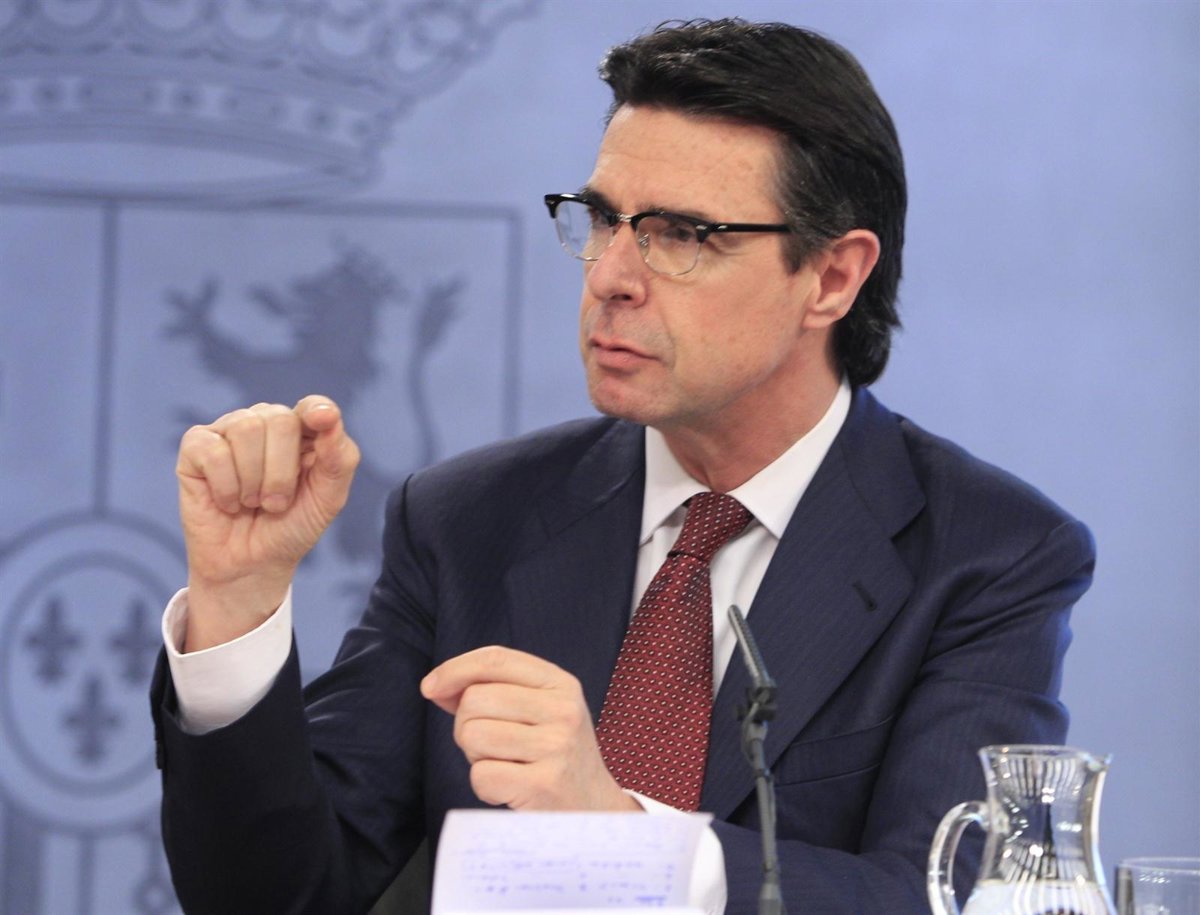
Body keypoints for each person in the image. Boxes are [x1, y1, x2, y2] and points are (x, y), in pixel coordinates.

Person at [151, 18, 1095, 914]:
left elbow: (946, 895)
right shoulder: (465, 519)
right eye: (603, 219)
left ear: (833, 277)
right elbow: (278, 897)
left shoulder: (988, 553)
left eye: (681, 234)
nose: (609, 275)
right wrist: (237, 605)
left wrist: (620, 835)